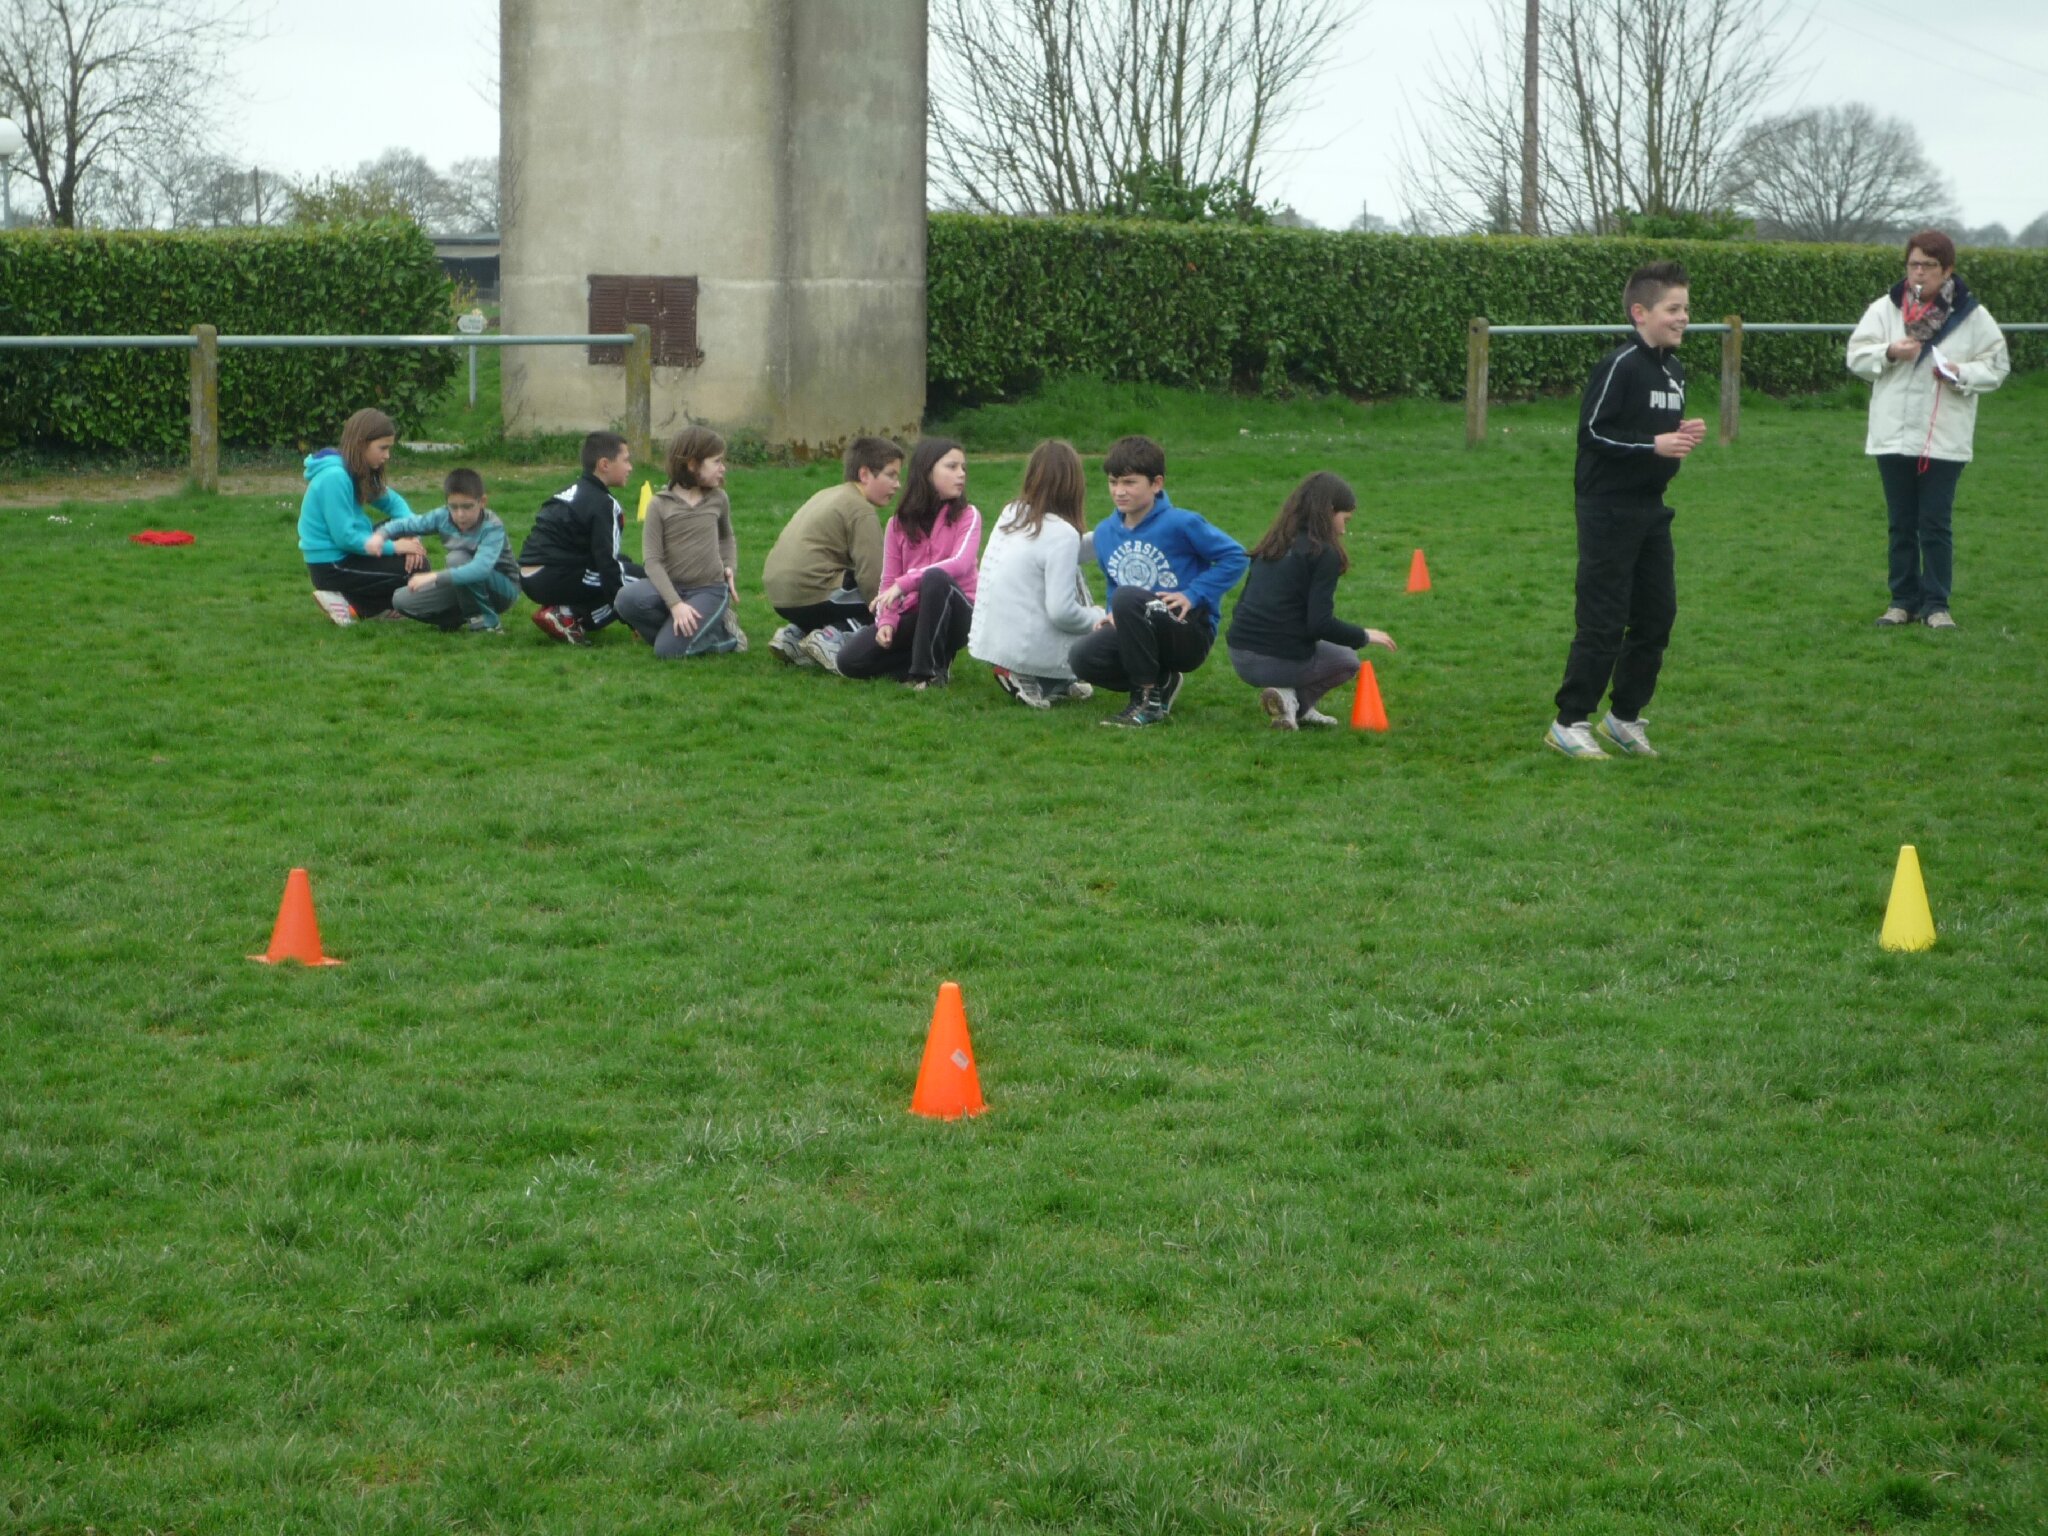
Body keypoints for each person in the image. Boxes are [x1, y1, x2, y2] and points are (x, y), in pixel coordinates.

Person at [1545, 260, 1708, 761]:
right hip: (1607, 510)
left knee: (1658, 616)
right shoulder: (1619, 365)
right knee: (1603, 619)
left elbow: (1655, 441)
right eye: (1672, 309)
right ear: (1640, 312)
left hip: (1651, 511)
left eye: (1686, 308)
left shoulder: (1674, 370)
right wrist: (1652, 446)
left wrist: (1678, 442)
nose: (1683, 318)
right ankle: (1570, 721)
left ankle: (1623, 718)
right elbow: (1592, 434)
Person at [1845, 228, 2010, 632]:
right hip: (1893, 434)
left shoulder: (1971, 315)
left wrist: (1960, 372)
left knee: (1934, 523)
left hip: (1944, 438)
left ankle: (1937, 604)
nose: (1919, 273)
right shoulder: (1885, 309)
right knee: (1901, 523)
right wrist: (1887, 351)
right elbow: (1855, 356)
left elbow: (1997, 366)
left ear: (1947, 270)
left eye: (1929, 266)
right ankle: (1902, 601)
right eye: (1913, 264)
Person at [1067, 434, 1247, 728]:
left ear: (1157, 483)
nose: (1119, 491)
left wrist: (1194, 593)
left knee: (1128, 597)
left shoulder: (1182, 523)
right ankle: (1161, 680)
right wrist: (1113, 612)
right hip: (1136, 623)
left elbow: (1236, 556)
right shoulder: (1105, 533)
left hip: (1187, 630)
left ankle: (1146, 703)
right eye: (1113, 482)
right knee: (1082, 657)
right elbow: (1115, 582)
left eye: (1129, 482)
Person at [1225, 471, 1397, 729]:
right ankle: (1296, 704)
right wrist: (1363, 636)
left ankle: (1287, 706)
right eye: (1345, 519)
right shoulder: (1323, 553)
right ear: (1329, 511)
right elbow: (1320, 624)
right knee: (1347, 661)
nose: (1344, 530)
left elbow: (1243, 607)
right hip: (1273, 662)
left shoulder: (1274, 542)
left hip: (1238, 654)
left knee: (1305, 643)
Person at [823, 437, 981, 687]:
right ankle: (932, 660)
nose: (961, 474)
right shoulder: (898, 524)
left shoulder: (968, 515)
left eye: (963, 468)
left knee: (935, 578)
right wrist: (887, 621)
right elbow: (887, 581)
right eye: (952, 467)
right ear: (927, 471)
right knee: (849, 662)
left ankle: (925, 674)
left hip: (960, 613)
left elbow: (960, 563)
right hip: (916, 612)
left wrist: (906, 583)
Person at [967, 439, 1104, 709]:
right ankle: (1029, 673)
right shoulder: (1061, 533)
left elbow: (1065, 551)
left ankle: (1055, 680)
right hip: (1022, 644)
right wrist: (1099, 618)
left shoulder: (1013, 513)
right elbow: (1062, 612)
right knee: (1077, 593)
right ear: (1074, 485)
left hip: (993, 639)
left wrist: (1110, 537)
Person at [760, 436, 902, 665]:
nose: (898, 484)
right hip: (813, 592)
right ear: (865, 474)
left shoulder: (827, 494)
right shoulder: (860, 510)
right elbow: (872, 576)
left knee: (848, 583)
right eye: (891, 475)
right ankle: (833, 637)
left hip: (779, 594)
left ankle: (794, 636)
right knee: (890, 598)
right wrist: (888, 616)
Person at [615, 427, 746, 658]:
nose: (722, 468)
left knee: (666, 652)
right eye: (716, 461)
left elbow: (726, 537)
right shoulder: (659, 504)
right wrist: (675, 604)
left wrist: (729, 566)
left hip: (709, 589)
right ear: (692, 464)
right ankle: (680, 632)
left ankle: (726, 634)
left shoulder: (718, 498)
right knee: (626, 599)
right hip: (672, 588)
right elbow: (652, 562)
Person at [298, 407, 426, 624]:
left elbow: (394, 503)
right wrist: (396, 547)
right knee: (418, 569)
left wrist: (411, 535)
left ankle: (361, 604)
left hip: (346, 554)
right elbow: (345, 538)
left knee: (409, 548)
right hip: (332, 566)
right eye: (382, 448)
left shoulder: (356, 469)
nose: (387, 456)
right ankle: (356, 604)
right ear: (361, 443)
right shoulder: (335, 477)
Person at [518, 430, 644, 646]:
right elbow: (608, 566)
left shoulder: (569, 490)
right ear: (604, 464)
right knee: (643, 579)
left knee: (624, 563)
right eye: (626, 460)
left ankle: (565, 614)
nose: (630, 467)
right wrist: (632, 618)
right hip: (555, 575)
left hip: (530, 576)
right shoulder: (604, 504)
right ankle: (568, 615)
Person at [365, 468, 522, 633]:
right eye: (453, 507)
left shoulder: (492, 527)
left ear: (482, 502)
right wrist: (380, 535)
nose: (460, 514)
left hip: (502, 590)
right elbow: (407, 524)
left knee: (456, 558)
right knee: (401, 600)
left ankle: (485, 621)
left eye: (467, 507)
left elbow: (480, 570)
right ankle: (454, 619)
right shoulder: (442, 516)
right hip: (462, 583)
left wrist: (434, 576)